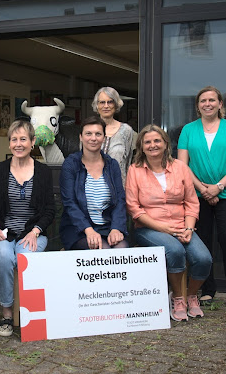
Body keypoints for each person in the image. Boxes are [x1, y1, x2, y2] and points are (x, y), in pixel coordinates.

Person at [126, 125, 212, 321]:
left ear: (165, 144)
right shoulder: (135, 170)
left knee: (203, 258)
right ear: (141, 146)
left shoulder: (180, 168)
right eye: (147, 142)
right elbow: (134, 208)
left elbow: (191, 202)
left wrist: (189, 228)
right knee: (175, 251)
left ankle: (191, 296)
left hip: (181, 226)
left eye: (157, 141)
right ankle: (178, 298)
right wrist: (163, 228)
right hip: (149, 228)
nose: (153, 145)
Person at [177, 86, 226, 309]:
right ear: (197, 106)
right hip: (197, 194)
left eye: (211, 100)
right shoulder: (188, 130)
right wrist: (203, 189)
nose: (207, 104)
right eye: (202, 101)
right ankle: (207, 291)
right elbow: (182, 164)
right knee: (203, 242)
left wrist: (217, 187)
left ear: (220, 104)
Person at [0, 120, 56, 337]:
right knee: (4, 256)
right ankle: (7, 313)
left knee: (25, 259)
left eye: (23, 139)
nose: (18, 143)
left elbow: (50, 210)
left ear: (33, 142)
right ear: (9, 144)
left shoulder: (42, 172)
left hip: (31, 233)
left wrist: (36, 231)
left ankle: (29, 314)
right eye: (14, 139)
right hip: (1, 233)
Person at [60, 116, 128, 250]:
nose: (93, 138)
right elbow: (69, 202)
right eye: (88, 134)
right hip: (78, 230)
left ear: (104, 137)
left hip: (108, 226)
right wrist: (88, 230)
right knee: (103, 250)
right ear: (80, 137)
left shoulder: (112, 165)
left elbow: (120, 200)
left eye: (98, 134)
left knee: (122, 250)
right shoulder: (71, 164)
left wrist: (116, 228)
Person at [92, 87, 134, 188]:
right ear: (97, 105)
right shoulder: (89, 129)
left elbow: (127, 161)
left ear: (116, 105)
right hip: (93, 188)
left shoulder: (126, 130)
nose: (106, 106)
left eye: (110, 102)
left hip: (118, 187)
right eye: (102, 102)